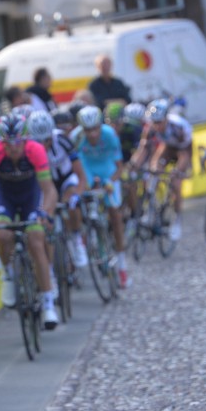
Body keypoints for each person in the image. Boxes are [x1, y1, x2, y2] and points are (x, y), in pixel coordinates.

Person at [0, 114, 60, 328]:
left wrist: (46, 213)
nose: (13, 148)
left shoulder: (35, 150)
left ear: (25, 139)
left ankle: (48, 303)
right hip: (6, 199)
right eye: (8, 143)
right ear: (1, 141)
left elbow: (49, 190)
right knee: (2, 234)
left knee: (36, 240)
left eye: (18, 142)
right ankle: (9, 273)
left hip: (31, 198)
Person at [74, 105, 129, 288]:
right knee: (81, 201)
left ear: (101, 125)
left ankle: (122, 265)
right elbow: (76, 167)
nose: (93, 134)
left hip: (108, 170)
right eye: (88, 130)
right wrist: (84, 185)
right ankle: (87, 237)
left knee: (115, 214)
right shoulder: (76, 137)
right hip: (88, 170)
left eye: (96, 129)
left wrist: (110, 181)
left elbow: (119, 166)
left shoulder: (110, 134)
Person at [26, 110, 89, 268]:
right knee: (45, 221)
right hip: (45, 185)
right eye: (38, 141)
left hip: (66, 179)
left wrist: (78, 193)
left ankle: (76, 238)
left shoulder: (62, 140)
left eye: (46, 140)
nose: (43, 146)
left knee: (72, 203)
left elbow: (80, 174)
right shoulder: (27, 148)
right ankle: (50, 267)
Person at [129, 99, 192, 240]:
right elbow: (143, 149)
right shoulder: (150, 127)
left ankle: (177, 219)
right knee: (153, 169)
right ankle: (150, 209)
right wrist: (134, 165)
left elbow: (184, 154)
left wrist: (177, 171)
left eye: (159, 122)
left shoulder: (178, 126)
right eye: (154, 122)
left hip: (183, 150)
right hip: (167, 147)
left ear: (166, 118)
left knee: (176, 183)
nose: (157, 126)